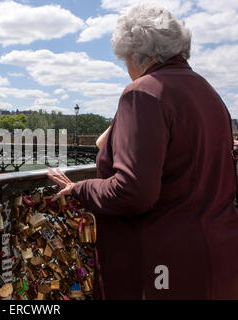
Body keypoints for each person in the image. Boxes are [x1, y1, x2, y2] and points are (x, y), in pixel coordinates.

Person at [48, 4, 238, 299]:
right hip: (219, 255)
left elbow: (133, 192)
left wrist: (79, 189)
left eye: (124, 59)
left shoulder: (143, 92)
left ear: (134, 54)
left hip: (162, 267)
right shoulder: (209, 94)